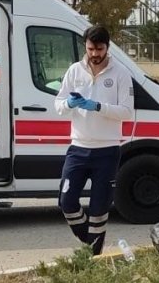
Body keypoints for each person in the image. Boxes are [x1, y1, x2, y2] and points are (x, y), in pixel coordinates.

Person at [54, 25, 135, 255]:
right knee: (66, 202)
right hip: (78, 148)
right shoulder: (74, 71)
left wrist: (98, 106)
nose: (94, 54)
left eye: (99, 49)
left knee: (99, 209)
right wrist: (69, 104)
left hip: (107, 151)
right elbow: (58, 105)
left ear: (107, 47)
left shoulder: (120, 73)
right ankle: (90, 243)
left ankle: (93, 257)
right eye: (91, 49)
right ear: (85, 46)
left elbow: (127, 111)